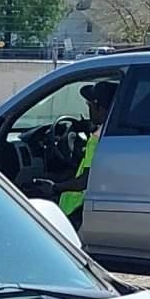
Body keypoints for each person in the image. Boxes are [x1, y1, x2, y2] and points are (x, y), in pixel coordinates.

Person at [55, 76, 118, 220]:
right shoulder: (110, 134)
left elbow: (85, 181)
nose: (89, 109)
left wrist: (54, 187)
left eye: (89, 105)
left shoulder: (96, 140)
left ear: (99, 107)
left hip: (77, 210)